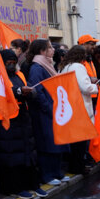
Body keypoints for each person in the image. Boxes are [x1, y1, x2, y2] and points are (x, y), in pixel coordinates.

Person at [0, 50, 46, 199]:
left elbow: (27, 88)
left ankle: (31, 184)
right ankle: (13, 187)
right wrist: (19, 91)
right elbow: (4, 92)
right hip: (4, 120)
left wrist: (30, 93)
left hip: (22, 118)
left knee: (26, 152)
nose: (12, 65)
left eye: (14, 62)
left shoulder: (19, 75)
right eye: (8, 63)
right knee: (10, 155)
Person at [27, 39, 69, 186]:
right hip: (44, 113)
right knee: (47, 145)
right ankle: (47, 175)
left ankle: (57, 172)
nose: (53, 50)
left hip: (53, 110)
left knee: (56, 142)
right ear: (42, 51)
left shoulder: (47, 65)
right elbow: (37, 91)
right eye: (50, 48)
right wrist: (49, 108)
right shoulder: (37, 68)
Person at [59, 46, 100, 172]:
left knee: (74, 140)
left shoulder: (64, 67)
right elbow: (85, 88)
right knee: (81, 141)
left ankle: (75, 165)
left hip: (69, 105)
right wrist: (97, 88)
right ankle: (79, 166)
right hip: (80, 105)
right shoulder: (78, 67)